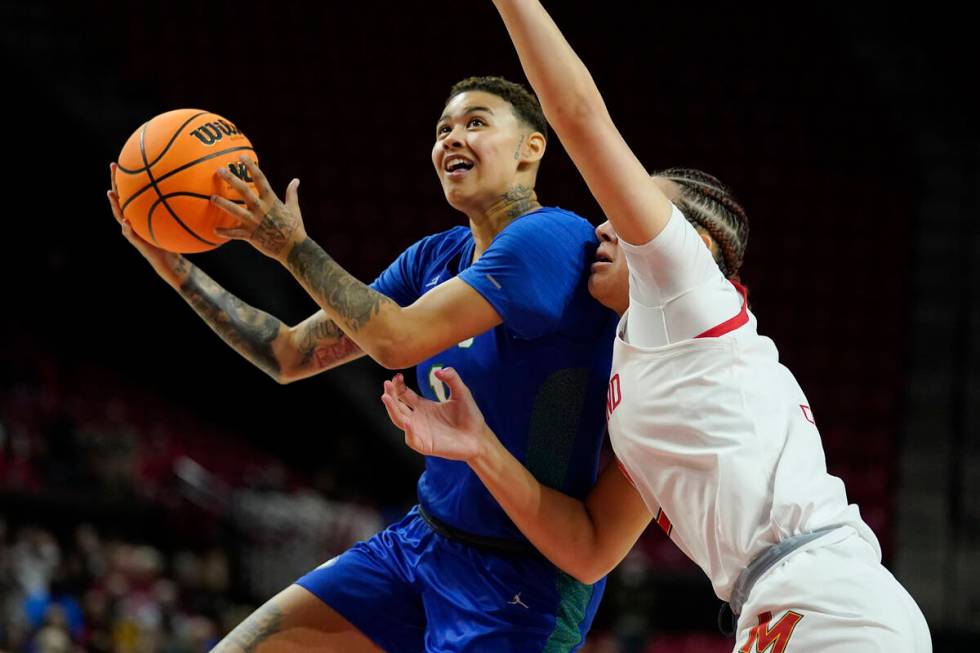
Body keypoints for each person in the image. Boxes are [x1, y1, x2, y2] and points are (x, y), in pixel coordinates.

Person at [379, 1, 932, 651]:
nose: (604, 226)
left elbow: (580, 118)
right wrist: (480, 447)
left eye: (631, 214)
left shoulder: (689, 293)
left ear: (687, 244)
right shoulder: (640, 376)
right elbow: (586, 548)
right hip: (771, 608)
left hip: (828, 598)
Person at [107, 75, 617, 652]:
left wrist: (287, 245)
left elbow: (397, 343)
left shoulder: (554, 238)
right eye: (442, 129)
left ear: (532, 147)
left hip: (522, 581)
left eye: (476, 122)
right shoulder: (435, 254)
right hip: (420, 544)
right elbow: (289, 354)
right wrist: (174, 267)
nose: (452, 138)